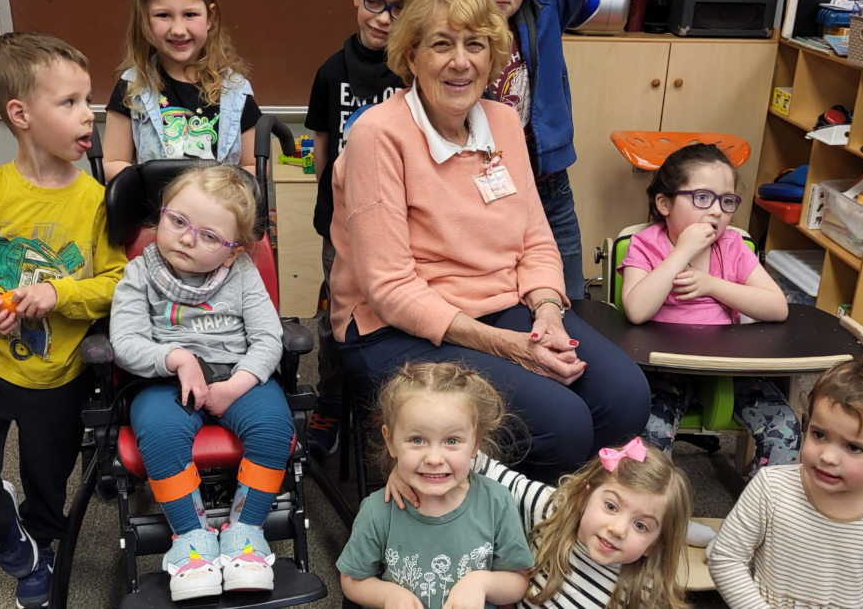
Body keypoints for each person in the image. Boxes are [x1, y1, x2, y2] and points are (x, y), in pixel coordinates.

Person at [330, 0, 649, 483]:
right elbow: (389, 289)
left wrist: (547, 313)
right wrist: (511, 349)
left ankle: (568, 518)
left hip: (505, 308)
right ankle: (513, 530)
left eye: (475, 44)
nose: (462, 61)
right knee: (561, 425)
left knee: (625, 397)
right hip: (394, 330)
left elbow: (537, 240)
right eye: (441, 44)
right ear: (411, 56)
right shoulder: (377, 136)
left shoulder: (502, 123)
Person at [0, 32, 127, 609]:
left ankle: (37, 545)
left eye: (86, 100)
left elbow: (114, 283)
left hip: (56, 376)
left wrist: (57, 293)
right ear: (20, 114)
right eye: (68, 103)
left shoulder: (97, 200)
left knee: (49, 481)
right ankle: (6, 528)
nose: (87, 114)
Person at [109, 166, 294, 602]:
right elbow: (126, 342)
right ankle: (191, 539)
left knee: (274, 426)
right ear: (162, 217)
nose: (188, 238)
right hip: (163, 379)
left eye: (210, 236)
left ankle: (244, 534)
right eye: (178, 222)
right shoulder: (139, 274)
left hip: (237, 373)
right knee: (160, 432)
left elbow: (269, 338)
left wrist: (239, 383)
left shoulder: (242, 273)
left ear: (233, 252)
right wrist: (175, 357)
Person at [304, 0, 432, 455]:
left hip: (408, 226)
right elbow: (320, 152)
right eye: (372, 0)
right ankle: (331, 403)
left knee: (399, 318)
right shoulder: (330, 72)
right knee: (339, 317)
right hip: (343, 227)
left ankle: (393, 409)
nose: (382, 17)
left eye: (399, 7)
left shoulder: (421, 72)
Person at [619, 144, 798, 482]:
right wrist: (683, 250)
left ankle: (758, 514)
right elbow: (637, 311)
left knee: (785, 428)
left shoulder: (732, 246)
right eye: (702, 198)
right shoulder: (645, 244)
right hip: (664, 369)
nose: (716, 212)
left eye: (726, 201)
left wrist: (713, 285)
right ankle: (657, 516)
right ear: (665, 203)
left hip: (728, 365)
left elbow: (777, 308)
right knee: (646, 440)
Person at [709, 358, 863, 609]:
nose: (827, 457)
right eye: (819, 434)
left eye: (854, 447)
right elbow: (726, 559)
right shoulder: (770, 487)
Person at [457, 0, 599, 301]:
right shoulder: (449, 31)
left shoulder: (545, 13)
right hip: (480, 186)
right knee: (501, 297)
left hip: (549, 185)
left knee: (569, 295)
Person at [388, 437, 692, 609]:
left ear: (657, 544)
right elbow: (479, 463)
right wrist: (411, 469)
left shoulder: (646, 593)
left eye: (642, 526)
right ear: (584, 498)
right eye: (611, 506)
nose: (618, 529)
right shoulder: (552, 509)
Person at [338, 363, 534, 609]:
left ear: (476, 444)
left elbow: (518, 580)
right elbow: (352, 579)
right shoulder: (378, 510)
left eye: (452, 441)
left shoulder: (497, 502)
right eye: (417, 440)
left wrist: (482, 583)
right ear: (390, 441)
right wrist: (387, 595)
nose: (434, 458)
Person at [101, 0, 262, 180]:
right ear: (144, 19)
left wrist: (217, 190)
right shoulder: (132, 88)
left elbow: (255, 166)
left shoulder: (234, 90)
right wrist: (153, 184)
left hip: (218, 214)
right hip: (157, 214)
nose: (178, 30)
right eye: (163, 15)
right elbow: (112, 162)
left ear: (210, 17)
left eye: (190, 15)